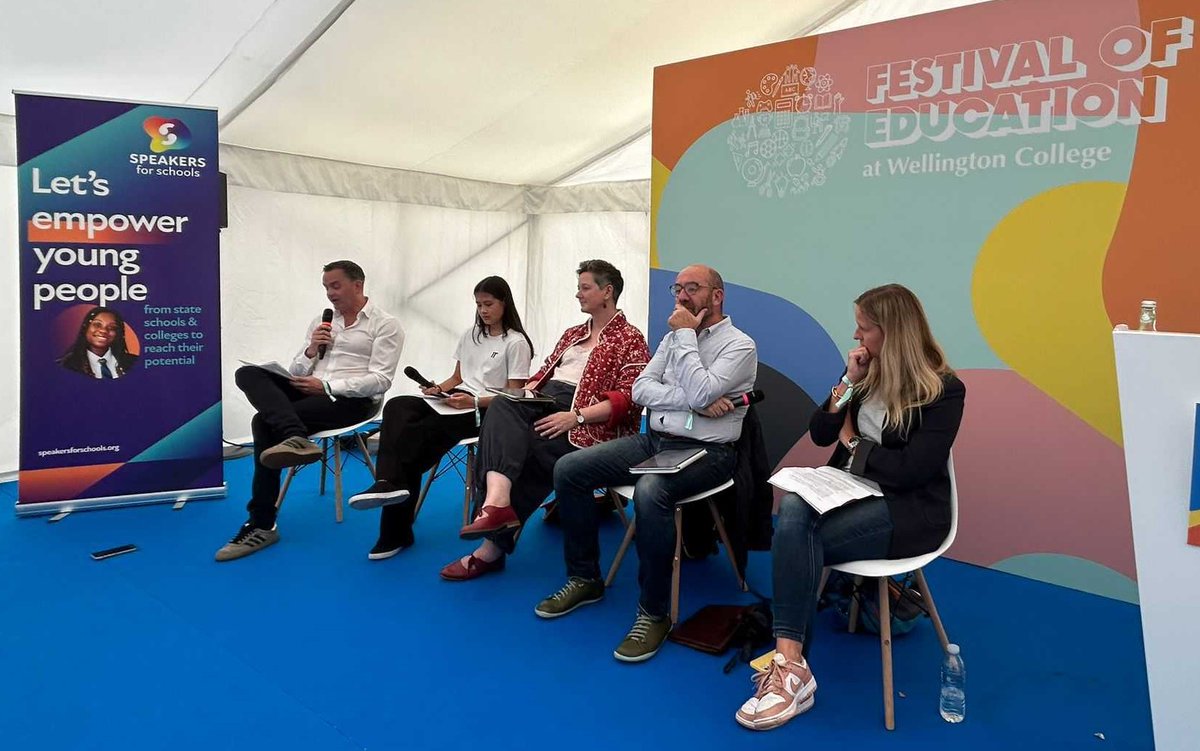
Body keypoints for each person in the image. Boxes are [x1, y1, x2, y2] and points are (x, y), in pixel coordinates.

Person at [734, 283, 965, 731]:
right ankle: (792, 664)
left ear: (893, 332)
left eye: (864, 329)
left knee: (798, 535)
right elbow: (822, 432)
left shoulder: (943, 391)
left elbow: (910, 471)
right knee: (794, 510)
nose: (857, 337)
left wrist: (854, 443)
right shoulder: (865, 373)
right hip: (847, 490)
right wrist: (846, 384)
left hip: (906, 509)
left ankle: (789, 670)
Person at [533, 264, 757, 663]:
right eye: (678, 288)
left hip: (709, 452)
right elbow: (641, 390)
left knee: (651, 491)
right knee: (570, 470)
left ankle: (653, 613)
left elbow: (701, 389)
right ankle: (584, 577)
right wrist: (696, 402)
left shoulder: (739, 346)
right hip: (654, 439)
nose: (682, 296)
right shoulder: (671, 339)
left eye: (692, 288)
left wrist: (686, 341)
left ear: (717, 296)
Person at [439, 259, 650, 581]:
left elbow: (630, 399)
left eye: (584, 287)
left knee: (535, 448)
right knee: (502, 405)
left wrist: (576, 417)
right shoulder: (573, 333)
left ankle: (490, 549)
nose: (577, 294)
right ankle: (497, 502)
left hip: (586, 417)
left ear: (607, 291)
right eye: (578, 287)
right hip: (545, 400)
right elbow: (542, 375)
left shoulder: (630, 339)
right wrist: (524, 393)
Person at [215, 260, 404, 562]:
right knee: (248, 374)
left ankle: (261, 523)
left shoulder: (385, 324)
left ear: (358, 285)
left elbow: (381, 380)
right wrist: (311, 350)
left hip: (352, 399)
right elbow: (297, 370)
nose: (330, 293)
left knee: (263, 422)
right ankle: (296, 436)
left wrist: (328, 386)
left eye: (335, 286)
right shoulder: (322, 320)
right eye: (326, 287)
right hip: (310, 389)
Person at [346, 276, 534, 560]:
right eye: (478, 305)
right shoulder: (471, 334)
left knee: (408, 446)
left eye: (488, 304)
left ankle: (394, 529)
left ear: (504, 303)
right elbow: (457, 377)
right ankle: (387, 483)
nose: (483, 310)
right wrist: (438, 390)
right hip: (456, 399)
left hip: (486, 410)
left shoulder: (516, 342)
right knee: (398, 406)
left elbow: (514, 395)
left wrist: (473, 402)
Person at [58, 306, 138, 379]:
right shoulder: (65, 365)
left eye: (112, 327)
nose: (104, 331)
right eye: (97, 325)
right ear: (86, 327)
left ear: (118, 333)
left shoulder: (133, 363)